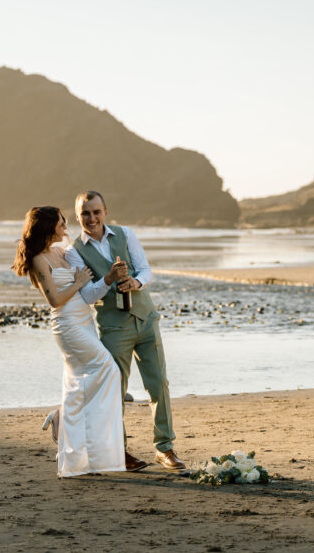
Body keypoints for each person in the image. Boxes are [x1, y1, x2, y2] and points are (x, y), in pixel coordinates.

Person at [65, 190, 186, 471]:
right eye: (85, 213)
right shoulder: (73, 252)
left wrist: (136, 283)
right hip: (113, 328)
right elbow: (85, 296)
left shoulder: (125, 234)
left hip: (146, 319)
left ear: (105, 211)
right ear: (78, 216)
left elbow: (146, 270)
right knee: (115, 392)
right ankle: (119, 451)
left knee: (159, 385)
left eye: (96, 212)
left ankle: (165, 448)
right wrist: (107, 279)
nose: (91, 218)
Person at [11, 206, 132, 477]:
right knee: (109, 370)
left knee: (83, 382)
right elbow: (54, 300)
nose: (66, 226)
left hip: (84, 321)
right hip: (67, 325)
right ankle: (63, 419)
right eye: (61, 223)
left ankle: (78, 443)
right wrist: (78, 282)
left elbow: (87, 271)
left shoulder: (61, 250)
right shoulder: (39, 259)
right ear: (48, 227)